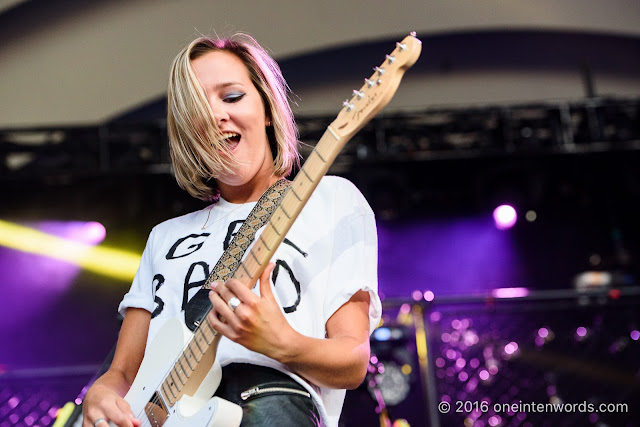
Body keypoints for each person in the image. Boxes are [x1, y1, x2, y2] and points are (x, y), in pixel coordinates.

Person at [81, 33, 380, 427]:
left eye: (232, 96)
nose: (215, 115)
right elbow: (122, 374)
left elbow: (352, 361)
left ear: (268, 109)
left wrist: (282, 344)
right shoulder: (164, 237)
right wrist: (100, 394)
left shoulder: (331, 200)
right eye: (198, 109)